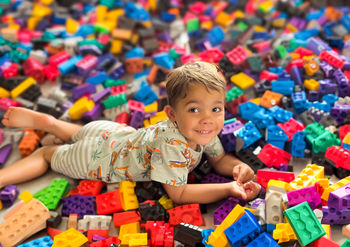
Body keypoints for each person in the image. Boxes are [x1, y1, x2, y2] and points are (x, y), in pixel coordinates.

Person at [0, 61, 261, 204]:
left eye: (216, 108)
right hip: (97, 159)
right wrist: (228, 189)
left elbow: (219, 159)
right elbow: (179, 194)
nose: (208, 119)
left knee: (81, 133)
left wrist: (237, 167)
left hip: (111, 132)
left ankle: (53, 124)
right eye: (194, 110)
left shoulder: (204, 129)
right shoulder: (173, 147)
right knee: (48, 153)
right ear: (171, 114)